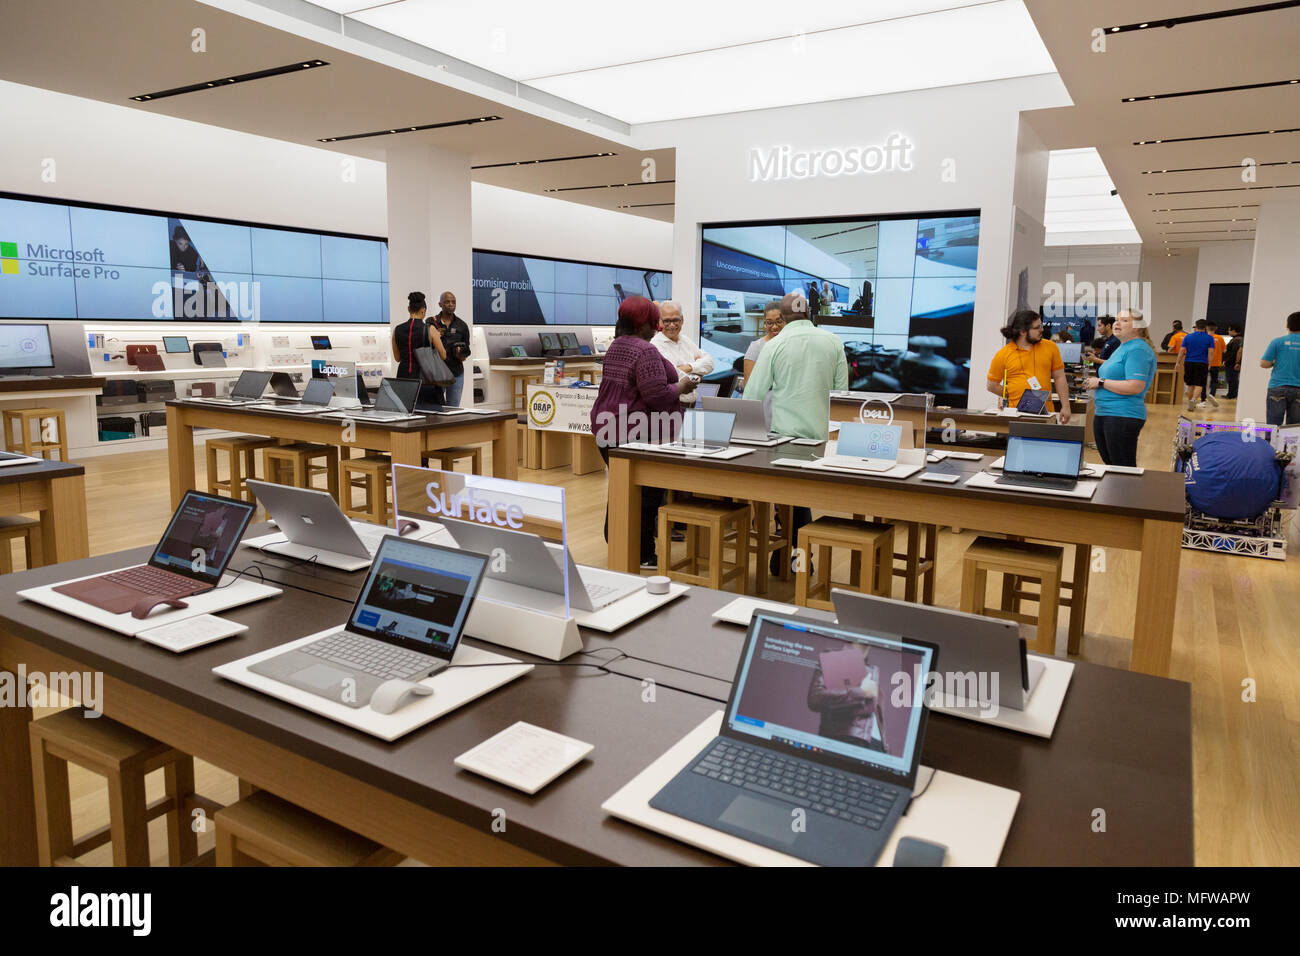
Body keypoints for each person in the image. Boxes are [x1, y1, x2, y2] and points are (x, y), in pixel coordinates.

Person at [745, 290, 848, 572]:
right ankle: (796, 558)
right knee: (799, 498)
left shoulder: (775, 345)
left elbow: (753, 393)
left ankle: (794, 557)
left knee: (787, 498)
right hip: (821, 438)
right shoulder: (833, 342)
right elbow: (842, 394)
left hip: (783, 437)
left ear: (785, 317)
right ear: (809, 314)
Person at [590, 297, 695, 569]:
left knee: (622, 487)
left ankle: (615, 539)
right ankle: (642, 554)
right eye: (655, 321)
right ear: (644, 322)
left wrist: (655, 353)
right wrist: (682, 388)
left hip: (606, 429)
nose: (660, 327)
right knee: (646, 495)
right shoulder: (644, 350)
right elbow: (659, 396)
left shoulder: (618, 345)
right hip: (634, 430)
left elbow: (668, 370)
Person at [1085, 309, 1156, 467]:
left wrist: (1101, 382)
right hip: (1105, 412)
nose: (1117, 323)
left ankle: (1128, 492)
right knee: (1112, 465)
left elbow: (1135, 386)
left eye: (1124, 320)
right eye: (1117, 320)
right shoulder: (1123, 347)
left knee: (1123, 468)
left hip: (1122, 414)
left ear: (1137, 327)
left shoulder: (1138, 349)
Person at [986, 310, 1072, 422]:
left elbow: (1059, 377)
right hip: (1015, 414)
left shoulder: (1051, 347)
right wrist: (1012, 394)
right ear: (1023, 331)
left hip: (1046, 414)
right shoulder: (1003, 354)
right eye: (1037, 328)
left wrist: (1066, 406)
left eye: (1041, 326)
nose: (1042, 330)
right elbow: (991, 385)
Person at [806, 643, 887, 753]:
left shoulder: (872, 670)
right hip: (848, 742)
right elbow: (815, 698)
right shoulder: (837, 656)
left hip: (876, 748)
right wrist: (861, 692)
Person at [651, 300, 714, 405]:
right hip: (672, 407)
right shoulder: (655, 346)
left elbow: (710, 363)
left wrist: (688, 367)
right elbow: (673, 376)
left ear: (682, 320)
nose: (671, 325)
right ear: (660, 322)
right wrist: (698, 371)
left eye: (676, 320)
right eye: (667, 321)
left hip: (691, 406)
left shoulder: (686, 340)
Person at [392, 291, 447, 402]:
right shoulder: (430, 329)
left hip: (403, 379)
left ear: (408, 309)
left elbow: (397, 358)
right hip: (425, 380)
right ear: (423, 310)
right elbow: (443, 355)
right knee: (430, 416)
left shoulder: (396, 330)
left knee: (405, 415)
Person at [431, 291, 472, 407]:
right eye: (447, 302)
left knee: (453, 409)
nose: (451, 304)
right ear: (440, 304)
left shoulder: (462, 325)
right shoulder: (431, 323)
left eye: (453, 302)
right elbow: (424, 345)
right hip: (436, 374)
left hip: (456, 373)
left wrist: (461, 354)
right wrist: (434, 335)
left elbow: (468, 349)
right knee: (435, 409)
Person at [1260, 311, 1300, 426]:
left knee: (1273, 426)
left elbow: (1264, 363)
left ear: (1287, 325)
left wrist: (1275, 363)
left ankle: (1271, 444)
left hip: (1278, 387)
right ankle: (1291, 445)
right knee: (1294, 428)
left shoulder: (1277, 342)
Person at [1175, 319, 1217, 410]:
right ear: (1206, 327)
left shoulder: (1188, 337)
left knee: (1190, 384)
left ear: (1196, 326)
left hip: (1189, 362)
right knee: (1199, 384)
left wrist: (1177, 362)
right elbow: (1211, 352)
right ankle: (1193, 400)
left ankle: (1190, 402)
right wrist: (1209, 363)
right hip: (1202, 363)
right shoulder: (1209, 338)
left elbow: (1182, 351)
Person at [743, 301, 784, 383]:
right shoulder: (756, 347)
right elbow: (748, 384)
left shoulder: (792, 344)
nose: (774, 326)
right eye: (769, 323)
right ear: (765, 324)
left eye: (779, 321)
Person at [1206, 321, 1226, 398]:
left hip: (1205, 362)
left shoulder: (1205, 337)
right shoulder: (1220, 338)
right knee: (1214, 380)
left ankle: (1202, 396)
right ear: (1216, 328)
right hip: (1217, 362)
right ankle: (1212, 395)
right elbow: (1224, 350)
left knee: (1203, 380)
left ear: (1207, 328)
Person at [1224, 325, 1244, 399]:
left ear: (1234, 330)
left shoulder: (1236, 340)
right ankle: (1231, 393)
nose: (1228, 331)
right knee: (1232, 379)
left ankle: (1232, 394)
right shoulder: (1236, 339)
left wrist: (1227, 361)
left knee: (1232, 379)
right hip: (1232, 363)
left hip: (1232, 363)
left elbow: (1234, 353)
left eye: (1229, 330)